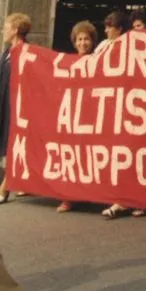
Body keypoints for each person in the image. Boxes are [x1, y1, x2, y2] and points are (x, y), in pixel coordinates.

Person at [57, 20, 98, 213]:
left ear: (92, 41)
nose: (83, 43)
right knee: (71, 157)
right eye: (80, 39)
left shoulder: (99, 61)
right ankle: (68, 198)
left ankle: (88, 194)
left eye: (87, 39)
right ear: (74, 42)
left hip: (91, 117)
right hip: (72, 116)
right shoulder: (67, 63)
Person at [0, 14, 32, 205]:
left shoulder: (25, 51)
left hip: (16, 105)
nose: (4, 30)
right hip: (3, 102)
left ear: (15, 30)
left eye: (6, 26)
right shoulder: (7, 52)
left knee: (13, 144)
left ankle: (4, 188)